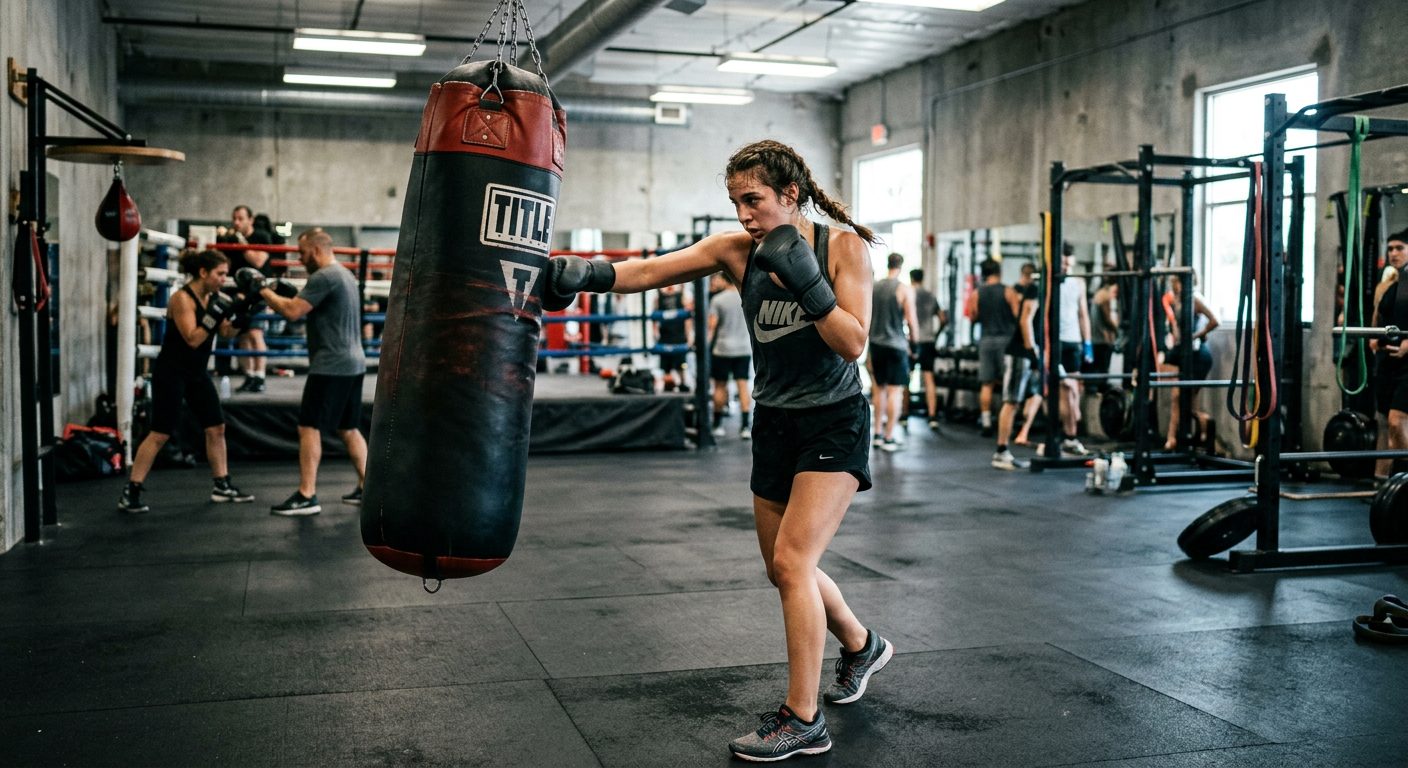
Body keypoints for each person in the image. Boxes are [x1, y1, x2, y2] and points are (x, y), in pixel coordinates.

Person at [542, 139, 892, 762]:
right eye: (735, 203)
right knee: (788, 568)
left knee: (791, 563)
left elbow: (853, 344)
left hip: (833, 422)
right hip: (774, 422)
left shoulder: (842, 248)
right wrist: (584, 274)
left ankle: (803, 717)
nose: (744, 216)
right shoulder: (737, 252)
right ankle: (861, 645)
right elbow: (649, 271)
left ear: (792, 194)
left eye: (753, 200)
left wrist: (811, 288)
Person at [117, 249, 253, 513]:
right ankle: (131, 491)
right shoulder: (182, 299)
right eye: (220, 274)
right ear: (203, 273)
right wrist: (215, 316)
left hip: (197, 373)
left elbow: (223, 332)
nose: (223, 279)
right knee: (160, 432)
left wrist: (242, 317)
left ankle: (221, 485)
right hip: (172, 372)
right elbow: (193, 338)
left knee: (216, 428)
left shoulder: (213, 297)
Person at [255, 228, 368, 516]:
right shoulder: (344, 274)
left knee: (309, 426)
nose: (299, 257)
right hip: (354, 363)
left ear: (316, 251)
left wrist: (262, 290)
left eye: (302, 253)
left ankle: (307, 495)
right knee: (348, 427)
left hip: (331, 364)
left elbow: (292, 312)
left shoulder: (324, 276)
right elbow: (317, 307)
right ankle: (368, 486)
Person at [1160, 272, 1220, 450]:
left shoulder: (1195, 298)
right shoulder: (1179, 299)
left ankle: (1202, 429)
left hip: (1197, 355)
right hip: (1182, 352)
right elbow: (1177, 325)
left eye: (1177, 281)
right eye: (1174, 281)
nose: (1175, 284)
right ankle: (1175, 438)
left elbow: (1216, 320)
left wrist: (1197, 335)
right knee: (1178, 397)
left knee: (1181, 398)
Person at [218, 205, 273, 393]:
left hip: (258, 293)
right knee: (241, 335)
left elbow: (258, 261)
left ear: (251, 219)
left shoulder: (261, 236)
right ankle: (249, 375)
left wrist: (240, 241)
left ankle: (260, 377)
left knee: (255, 333)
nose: (236, 222)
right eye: (234, 218)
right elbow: (228, 266)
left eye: (241, 218)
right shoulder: (232, 240)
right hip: (238, 293)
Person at [993, 263, 1043, 469]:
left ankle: (1023, 434)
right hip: (1020, 352)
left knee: (1036, 395)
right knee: (1011, 401)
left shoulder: (1045, 290)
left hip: (1031, 351)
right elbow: (1025, 320)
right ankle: (1001, 452)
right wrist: (1032, 351)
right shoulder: (1035, 289)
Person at [869, 253, 918, 452]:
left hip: (876, 345)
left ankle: (878, 434)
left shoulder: (875, 287)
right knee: (895, 391)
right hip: (896, 345)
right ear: (901, 266)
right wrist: (915, 346)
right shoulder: (903, 289)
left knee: (879, 389)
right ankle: (889, 437)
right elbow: (912, 321)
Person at [964, 258, 1016, 437]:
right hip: (1006, 341)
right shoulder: (1008, 291)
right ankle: (1004, 421)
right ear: (999, 272)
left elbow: (972, 317)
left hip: (986, 341)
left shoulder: (977, 293)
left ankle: (986, 422)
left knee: (986, 383)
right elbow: (1019, 316)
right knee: (1007, 384)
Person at [1372, 231, 1408, 478]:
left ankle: (1404, 480)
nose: (1393, 253)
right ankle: (1389, 485)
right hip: (1388, 363)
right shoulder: (1389, 286)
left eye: (1400, 248)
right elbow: (1379, 316)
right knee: (1388, 426)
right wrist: (1373, 337)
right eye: (1390, 249)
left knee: (1397, 421)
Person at [1055, 245, 1092, 456]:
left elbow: (1083, 314)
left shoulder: (1079, 283)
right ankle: (1070, 436)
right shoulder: (1051, 282)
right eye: (1063, 263)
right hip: (1057, 342)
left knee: (1076, 391)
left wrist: (1087, 343)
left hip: (1074, 342)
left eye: (1069, 263)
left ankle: (1070, 432)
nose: (1067, 267)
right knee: (1067, 391)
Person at [708, 271, 753, 440]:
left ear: (724, 279)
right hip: (743, 348)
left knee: (720, 386)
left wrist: (703, 346)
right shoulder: (747, 295)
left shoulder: (718, 300)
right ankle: (745, 427)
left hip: (722, 349)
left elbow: (711, 327)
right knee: (743, 385)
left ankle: (718, 425)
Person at [909, 269, 944, 430]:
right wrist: (936, 334)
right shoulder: (931, 296)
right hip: (928, 340)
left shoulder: (908, 294)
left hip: (913, 341)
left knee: (906, 379)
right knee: (929, 378)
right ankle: (932, 416)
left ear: (911, 278)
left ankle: (903, 414)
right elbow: (943, 318)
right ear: (922, 278)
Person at [655, 282, 694, 390]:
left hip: (679, 333)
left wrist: (689, 334)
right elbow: (655, 316)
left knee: (681, 362)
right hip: (665, 333)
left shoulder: (682, 295)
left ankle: (682, 383)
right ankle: (668, 383)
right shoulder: (659, 295)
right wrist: (655, 332)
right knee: (666, 364)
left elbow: (688, 318)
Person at [1089, 277, 1119, 389]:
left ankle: (1096, 392)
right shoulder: (1105, 297)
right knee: (1103, 370)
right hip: (1103, 339)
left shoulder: (1098, 295)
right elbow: (1108, 319)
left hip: (1096, 338)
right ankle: (1101, 395)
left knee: (1097, 368)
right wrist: (1117, 329)